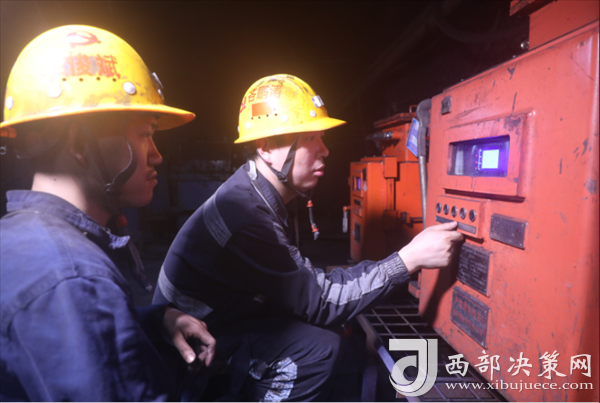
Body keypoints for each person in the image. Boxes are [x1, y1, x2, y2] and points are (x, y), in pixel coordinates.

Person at [153, 74, 463, 401]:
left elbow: (295, 287)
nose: (325, 150)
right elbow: (320, 301)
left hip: (217, 324)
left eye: (321, 137)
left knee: (329, 329)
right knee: (319, 347)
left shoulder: (253, 190)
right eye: (310, 137)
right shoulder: (246, 214)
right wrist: (409, 259)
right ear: (266, 147)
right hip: (190, 357)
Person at [0, 25, 215, 401]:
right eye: (145, 134)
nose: (157, 155)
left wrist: (153, 321)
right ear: (80, 144)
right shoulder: (75, 280)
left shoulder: (20, 237)